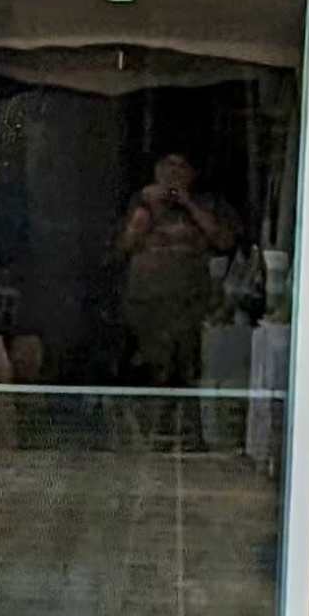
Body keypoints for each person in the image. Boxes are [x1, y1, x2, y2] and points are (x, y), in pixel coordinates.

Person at [116, 149, 234, 437]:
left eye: (181, 166)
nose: (173, 173)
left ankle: (187, 432)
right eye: (167, 165)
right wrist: (147, 211)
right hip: (147, 302)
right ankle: (150, 432)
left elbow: (224, 241)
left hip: (189, 303)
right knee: (151, 367)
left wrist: (189, 204)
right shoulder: (140, 202)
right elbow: (123, 246)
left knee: (186, 368)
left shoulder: (207, 204)